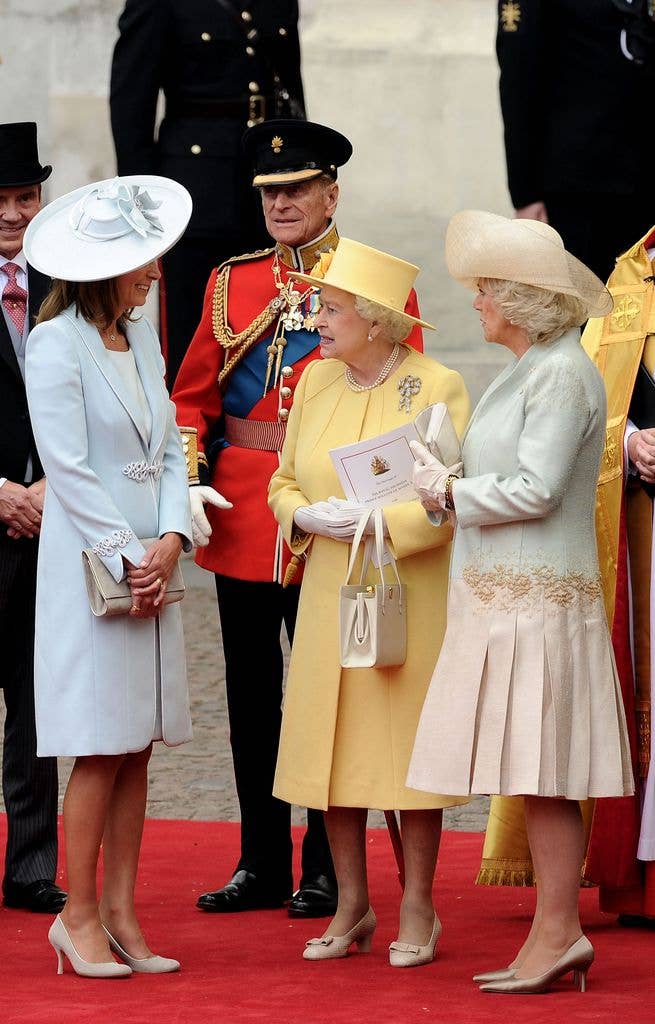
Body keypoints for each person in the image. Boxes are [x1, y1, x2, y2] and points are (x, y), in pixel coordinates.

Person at [173, 119, 425, 918]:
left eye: (295, 189)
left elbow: (403, 392)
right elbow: (193, 400)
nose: (280, 204)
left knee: (333, 693)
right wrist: (189, 485)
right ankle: (258, 859)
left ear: (330, 193)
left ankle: (325, 864)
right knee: (252, 695)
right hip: (250, 512)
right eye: (269, 193)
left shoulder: (374, 281)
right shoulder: (230, 283)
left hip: (339, 516)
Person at [407, 211, 633, 994]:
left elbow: (536, 489)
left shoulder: (563, 373)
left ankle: (559, 932)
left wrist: (449, 488)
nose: (474, 303)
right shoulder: (532, 365)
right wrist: (443, 472)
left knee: (541, 771)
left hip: (537, 600)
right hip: (507, 595)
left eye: (484, 291)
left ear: (520, 298)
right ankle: (556, 932)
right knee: (529, 772)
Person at [268, 238, 470, 965]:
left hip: (404, 588)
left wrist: (384, 522)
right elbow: (283, 479)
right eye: (319, 305)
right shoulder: (314, 382)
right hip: (330, 586)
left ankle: (417, 904)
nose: (315, 317)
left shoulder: (436, 384)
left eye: (331, 306)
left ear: (377, 321)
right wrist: (301, 515)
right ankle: (351, 904)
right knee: (336, 748)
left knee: (402, 753)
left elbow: (448, 501)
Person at [23, 175, 194, 977]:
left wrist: (170, 534)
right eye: (143, 263)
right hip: (89, 566)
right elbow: (68, 466)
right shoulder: (54, 343)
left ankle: (123, 910)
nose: (156, 274)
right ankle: (78, 915)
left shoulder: (146, 336)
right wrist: (131, 551)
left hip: (148, 562)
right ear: (103, 269)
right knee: (97, 745)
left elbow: (166, 447)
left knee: (137, 744)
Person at [110, 0, 305, 389]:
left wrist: (303, 175)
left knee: (276, 318)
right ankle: (188, 440)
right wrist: (141, 206)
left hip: (268, 186)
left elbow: (292, 93)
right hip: (194, 193)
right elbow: (132, 102)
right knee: (193, 330)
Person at [580, 224, 655, 922]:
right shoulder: (625, 282)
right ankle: (639, 875)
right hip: (644, 526)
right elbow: (591, 397)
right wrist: (628, 441)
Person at [0, 121, 65, 915]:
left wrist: (54, 484)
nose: (14, 213)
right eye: (2, 200)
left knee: (38, 698)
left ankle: (31, 864)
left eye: (25, 196)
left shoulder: (62, 283)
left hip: (50, 518)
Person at [496, 0, 655, 282]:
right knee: (598, 313)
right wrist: (525, 193)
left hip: (644, 176)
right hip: (582, 187)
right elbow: (518, 81)